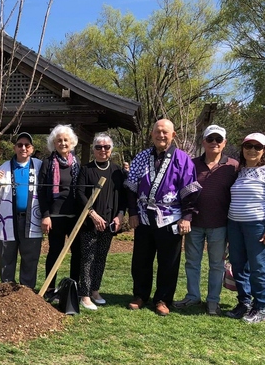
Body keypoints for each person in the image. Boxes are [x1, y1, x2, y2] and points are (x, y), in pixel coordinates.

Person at [125, 119, 201, 316]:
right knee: (141, 259)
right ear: (152, 134)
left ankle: (163, 299)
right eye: (157, 131)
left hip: (170, 218)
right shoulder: (141, 157)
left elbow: (189, 191)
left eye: (165, 132)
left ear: (173, 135)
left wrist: (187, 217)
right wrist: (132, 213)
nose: (161, 135)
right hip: (143, 217)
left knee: (169, 262)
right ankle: (140, 295)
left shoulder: (183, 159)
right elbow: (131, 188)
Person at [173, 125, 239, 315]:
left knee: (216, 265)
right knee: (192, 262)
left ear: (224, 143)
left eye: (218, 140)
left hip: (220, 225)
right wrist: (185, 216)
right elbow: (184, 193)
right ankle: (193, 296)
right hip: (194, 223)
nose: (214, 143)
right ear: (203, 142)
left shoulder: (233, 166)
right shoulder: (191, 164)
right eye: (210, 139)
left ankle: (213, 301)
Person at [226, 133, 265, 323]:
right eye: (248, 146)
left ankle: (261, 307)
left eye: (257, 147)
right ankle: (244, 303)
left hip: (257, 225)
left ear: (264, 151)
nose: (252, 150)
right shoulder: (240, 171)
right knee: (239, 265)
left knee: (258, 267)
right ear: (242, 149)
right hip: (234, 224)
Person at [76, 133, 127, 310]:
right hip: (90, 222)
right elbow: (80, 194)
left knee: (101, 258)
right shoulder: (86, 170)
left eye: (106, 147)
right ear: (93, 149)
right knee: (88, 258)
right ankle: (85, 294)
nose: (102, 150)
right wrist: (93, 215)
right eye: (99, 147)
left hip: (109, 223)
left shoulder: (117, 171)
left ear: (111, 150)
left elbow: (123, 196)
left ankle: (95, 290)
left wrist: (120, 215)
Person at [0, 132, 43, 289]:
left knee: (30, 257)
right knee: (7, 256)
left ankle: (27, 291)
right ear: (14, 147)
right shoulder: (3, 168)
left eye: (27, 145)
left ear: (32, 149)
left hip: (32, 219)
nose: (23, 148)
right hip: (8, 220)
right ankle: (7, 288)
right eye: (20, 145)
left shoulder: (39, 166)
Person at [39, 124, 81, 297]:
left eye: (66, 140)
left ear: (71, 142)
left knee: (77, 253)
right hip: (55, 216)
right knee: (54, 252)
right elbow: (41, 191)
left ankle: (74, 287)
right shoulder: (48, 163)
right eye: (59, 141)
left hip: (74, 216)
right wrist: (45, 215)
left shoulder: (77, 163)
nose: (63, 143)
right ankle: (50, 287)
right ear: (53, 144)